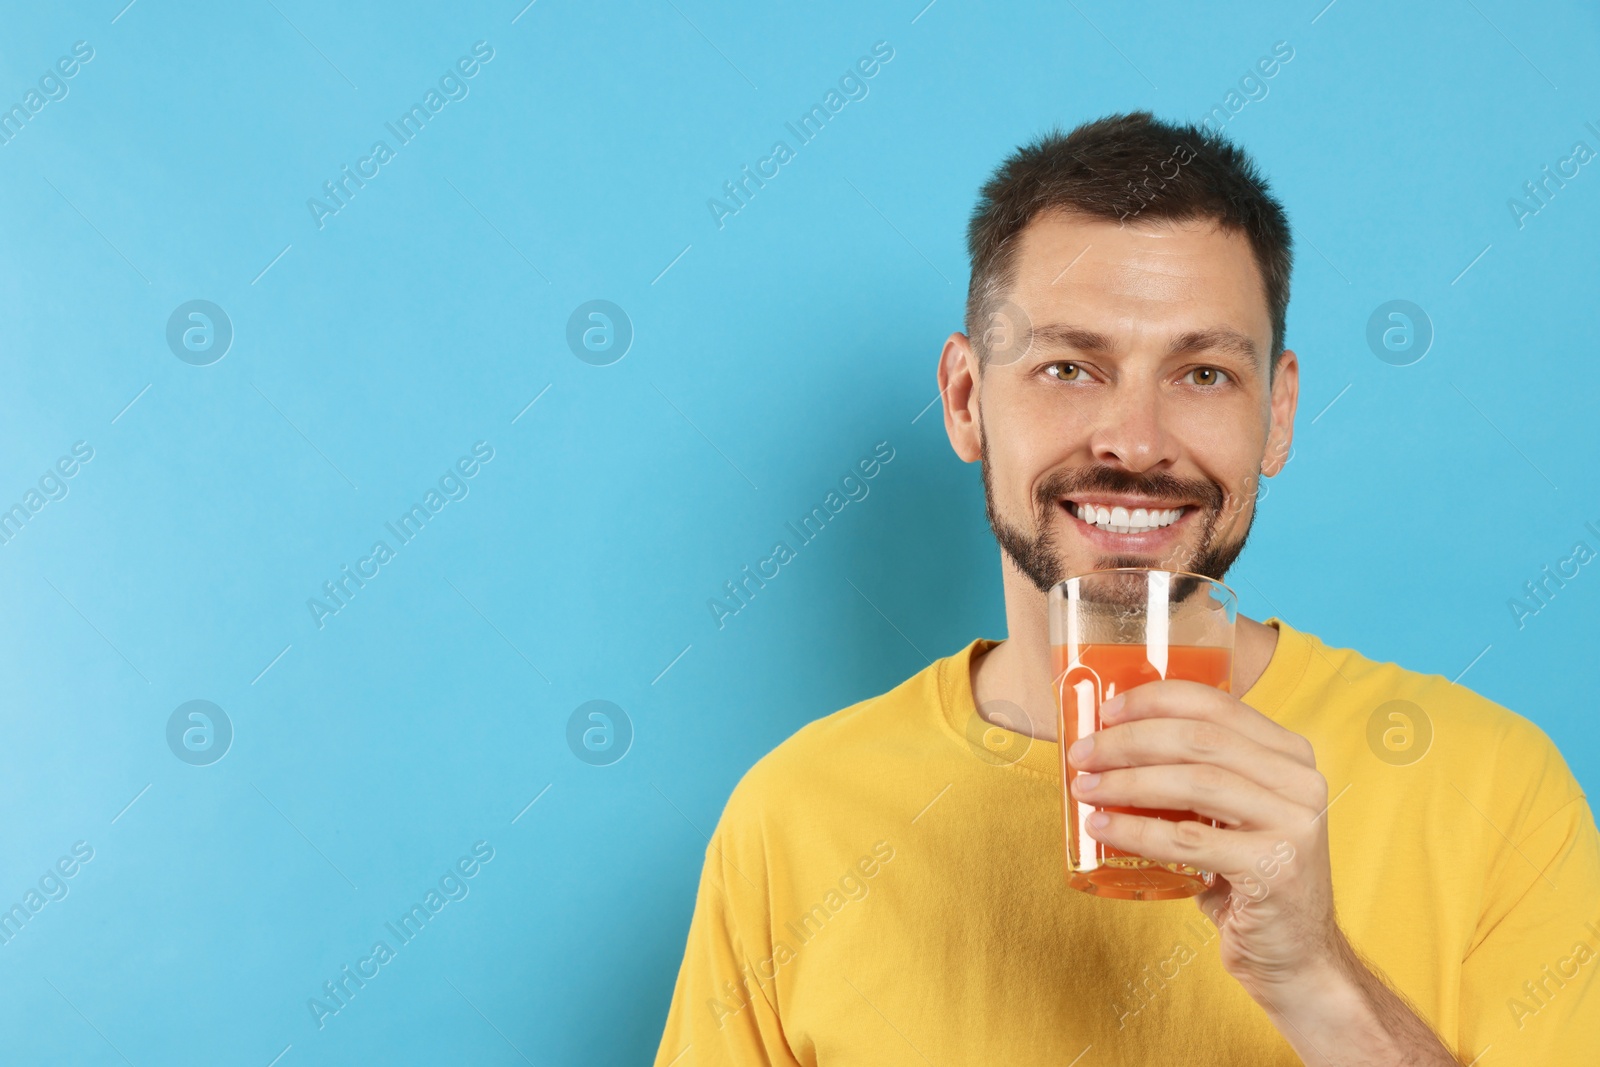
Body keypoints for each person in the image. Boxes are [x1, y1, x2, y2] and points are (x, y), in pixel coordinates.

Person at [651, 112, 1600, 1065]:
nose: (1134, 440)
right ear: (966, 399)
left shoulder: (1494, 791)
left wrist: (1317, 979)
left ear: (1278, 414)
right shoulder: (794, 816)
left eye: (1203, 372)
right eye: (1069, 366)